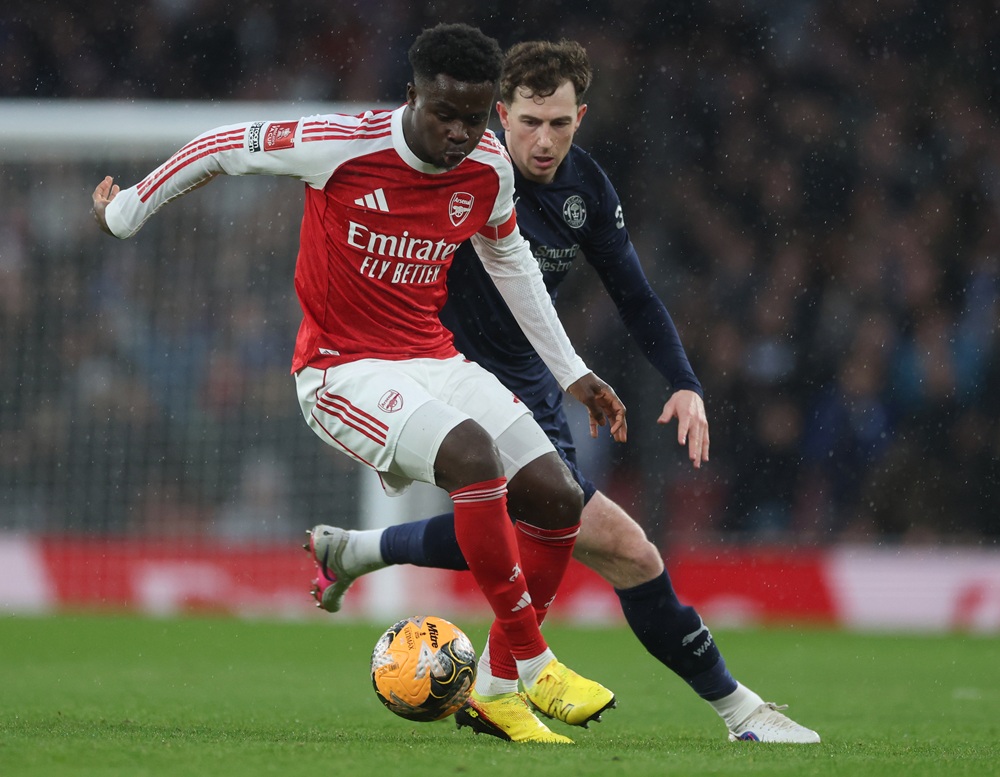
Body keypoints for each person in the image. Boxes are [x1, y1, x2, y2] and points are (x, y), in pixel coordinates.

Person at [92, 23, 630, 745]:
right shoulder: (342, 142)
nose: (459, 132)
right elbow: (222, 148)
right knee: (473, 456)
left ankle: (500, 688)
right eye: (444, 114)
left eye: (474, 118)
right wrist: (126, 212)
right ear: (412, 96)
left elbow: (511, 263)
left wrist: (574, 372)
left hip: (431, 358)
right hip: (340, 371)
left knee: (557, 495)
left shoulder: (488, 166)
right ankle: (536, 657)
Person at [308, 39, 820, 744]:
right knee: (617, 544)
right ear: (500, 114)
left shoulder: (585, 190)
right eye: (528, 123)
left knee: (572, 538)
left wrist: (684, 382)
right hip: (445, 370)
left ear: (581, 116)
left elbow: (635, 294)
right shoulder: (456, 167)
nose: (543, 141)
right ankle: (730, 709)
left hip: (532, 383)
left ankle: (364, 554)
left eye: (559, 124)